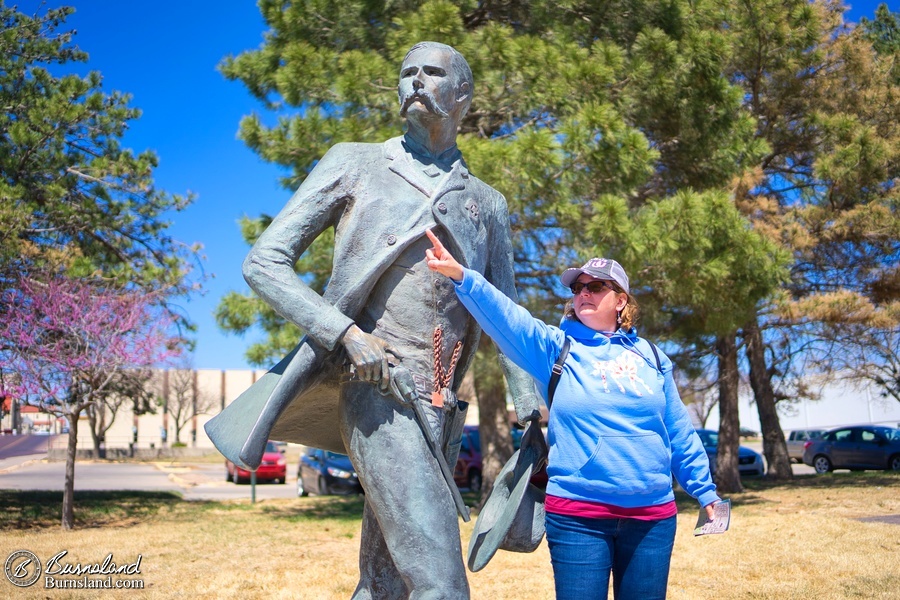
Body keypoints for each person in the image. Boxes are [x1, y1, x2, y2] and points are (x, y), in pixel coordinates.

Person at [207, 42, 540, 599]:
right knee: (441, 585)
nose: (415, 82)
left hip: (443, 410)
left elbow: (509, 317)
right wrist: (346, 335)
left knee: (386, 584)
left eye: (432, 73)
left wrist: (529, 406)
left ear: (463, 94)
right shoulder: (355, 162)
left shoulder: (488, 203)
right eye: (407, 73)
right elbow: (263, 261)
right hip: (377, 391)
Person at [425, 229, 721, 600]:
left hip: (651, 518)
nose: (583, 292)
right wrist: (462, 276)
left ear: (620, 300)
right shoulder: (555, 347)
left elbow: (678, 432)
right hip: (578, 517)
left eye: (596, 286)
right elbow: (509, 319)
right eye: (578, 287)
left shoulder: (653, 358)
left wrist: (705, 491)